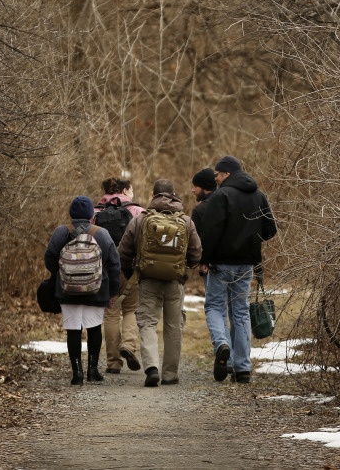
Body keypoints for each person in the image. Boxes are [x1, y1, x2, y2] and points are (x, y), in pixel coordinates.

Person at [198, 156, 277, 384]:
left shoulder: (221, 196)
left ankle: (223, 346)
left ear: (227, 174)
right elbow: (271, 229)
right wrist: (251, 240)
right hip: (246, 265)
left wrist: (205, 259)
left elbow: (210, 232)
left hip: (220, 263)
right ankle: (242, 368)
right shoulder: (259, 195)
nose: (215, 178)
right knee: (240, 312)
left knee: (215, 306)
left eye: (218, 174)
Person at [118, 179, 202, 387]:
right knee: (174, 327)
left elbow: (123, 252)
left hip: (147, 280)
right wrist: (184, 267)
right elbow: (196, 253)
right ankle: (170, 375)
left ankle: (151, 369)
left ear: (153, 195)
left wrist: (131, 272)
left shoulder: (141, 219)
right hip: (175, 280)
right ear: (174, 195)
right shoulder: (186, 221)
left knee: (147, 323)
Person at [44, 195, 120, 386]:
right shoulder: (101, 233)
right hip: (96, 289)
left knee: (73, 331)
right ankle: (92, 370)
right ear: (91, 214)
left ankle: (76, 372)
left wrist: (61, 275)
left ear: (71, 214)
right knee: (94, 328)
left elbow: (50, 258)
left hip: (67, 290)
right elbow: (114, 264)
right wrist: (113, 291)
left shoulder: (61, 232)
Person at [93, 176, 144, 374]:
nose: (132, 194)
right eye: (131, 190)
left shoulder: (95, 212)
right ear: (124, 191)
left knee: (111, 312)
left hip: (105, 270)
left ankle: (113, 363)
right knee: (131, 309)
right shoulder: (138, 211)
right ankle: (129, 346)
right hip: (131, 269)